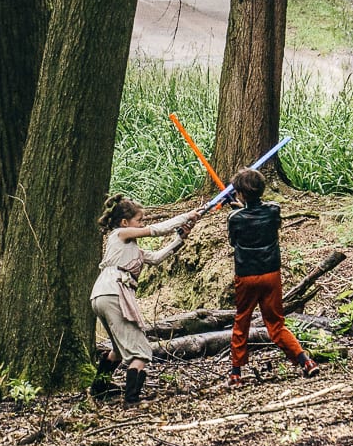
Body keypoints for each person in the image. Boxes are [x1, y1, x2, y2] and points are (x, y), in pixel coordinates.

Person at [89, 194, 200, 404]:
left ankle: (99, 388)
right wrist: (186, 215)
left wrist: (180, 238)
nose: (142, 225)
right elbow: (156, 230)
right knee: (141, 352)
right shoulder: (120, 234)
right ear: (124, 222)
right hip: (114, 291)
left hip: (102, 294)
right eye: (139, 221)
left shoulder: (130, 248)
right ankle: (131, 399)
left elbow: (157, 258)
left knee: (118, 350)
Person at [226, 168, 320, 387]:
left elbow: (234, 240)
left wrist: (240, 211)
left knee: (242, 322)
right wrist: (245, 209)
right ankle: (305, 361)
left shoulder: (234, 218)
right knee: (276, 324)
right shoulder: (273, 210)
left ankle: (235, 374)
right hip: (271, 273)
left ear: (240, 193)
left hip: (246, 276)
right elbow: (265, 218)